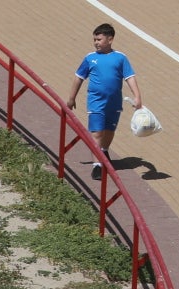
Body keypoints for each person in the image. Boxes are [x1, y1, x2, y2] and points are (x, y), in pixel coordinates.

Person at [67, 23, 142, 182]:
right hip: (96, 102)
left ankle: (104, 150)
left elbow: (130, 77)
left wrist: (137, 97)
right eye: (94, 39)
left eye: (99, 39)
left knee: (109, 131)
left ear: (110, 39)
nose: (96, 42)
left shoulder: (120, 58)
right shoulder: (90, 58)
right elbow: (78, 78)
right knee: (97, 132)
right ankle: (97, 165)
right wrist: (72, 98)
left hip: (114, 103)